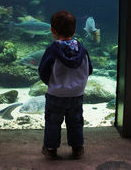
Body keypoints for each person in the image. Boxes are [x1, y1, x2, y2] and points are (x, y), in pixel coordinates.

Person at [38, 10, 93, 159]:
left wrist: (53, 84)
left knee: (52, 123)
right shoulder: (82, 49)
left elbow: (43, 70)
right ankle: (77, 148)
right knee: (76, 122)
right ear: (74, 30)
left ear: (52, 30)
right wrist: (78, 84)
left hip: (56, 95)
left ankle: (50, 148)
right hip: (76, 95)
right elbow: (89, 69)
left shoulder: (52, 49)